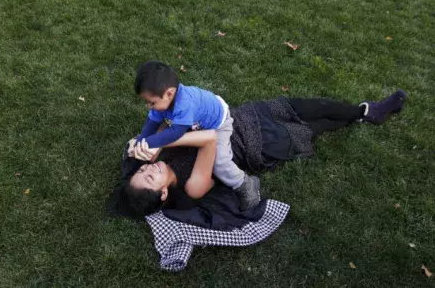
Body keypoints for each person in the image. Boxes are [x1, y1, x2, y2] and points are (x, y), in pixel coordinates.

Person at [115, 90, 407, 219]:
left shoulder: (154, 159)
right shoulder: (193, 187)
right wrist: (162, 142)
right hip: (260, 144)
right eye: (149, 179)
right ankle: (358, 117)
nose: (147, 170)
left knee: (312, 106)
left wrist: (143, 143)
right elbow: (209, 139)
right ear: (164, 194)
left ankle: (367, 112)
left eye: (141, 172)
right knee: (317, 127)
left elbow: (149, 135)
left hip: (245, 117)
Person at [132, 60, 260, 210]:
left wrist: (149, 143)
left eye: (151, 103)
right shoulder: (166, 99)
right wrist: (140, 141)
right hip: (200, 118)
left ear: (169, 94)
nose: (149, 106)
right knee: (164, 121)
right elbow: (152, 122)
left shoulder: (184, 104)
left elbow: (175, 133)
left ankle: (244, 183)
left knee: (220, 162)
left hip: (219, 122)